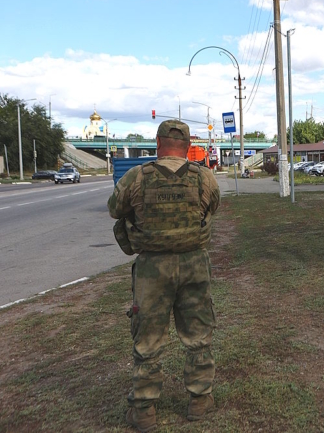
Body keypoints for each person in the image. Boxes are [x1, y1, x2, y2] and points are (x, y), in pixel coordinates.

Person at [108, 120, 221, 432]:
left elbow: (114, 209)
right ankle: (200, 401)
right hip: (194, 263)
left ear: (157, 144)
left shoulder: (137, 177)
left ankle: (144, 410)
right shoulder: (204, 178)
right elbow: (214, 205)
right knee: (198, 333)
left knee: (147, 338)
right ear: (187, 146)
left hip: (151, 270)